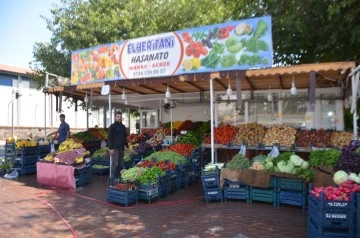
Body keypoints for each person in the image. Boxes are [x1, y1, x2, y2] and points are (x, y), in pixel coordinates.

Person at [108, 111, 129, 179]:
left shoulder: (123, 127)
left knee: (120, 163)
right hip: (115, 148)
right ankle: (112, 178)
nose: (119, 118)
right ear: (115, 118)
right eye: (118, 117)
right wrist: (111, 148)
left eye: (120, 117)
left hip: (121, 148)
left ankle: (118, 177)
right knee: (115, 163)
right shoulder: (112, 127)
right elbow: (109, 138)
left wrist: (127, 146)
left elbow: (124, 137)